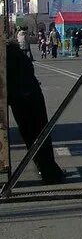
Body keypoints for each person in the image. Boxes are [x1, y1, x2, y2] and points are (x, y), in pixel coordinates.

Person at [5, 41, 66, 184]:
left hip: (23, 96)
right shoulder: (12, 52)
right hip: (29, 95)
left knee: (32, 134)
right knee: (38, 135)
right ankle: (48, 171)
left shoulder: (8, 53)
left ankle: (48, 171)